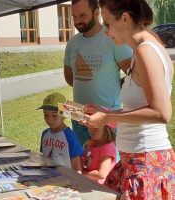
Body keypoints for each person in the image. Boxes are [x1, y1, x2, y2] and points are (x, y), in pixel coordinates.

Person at [84, 0, 175, 199]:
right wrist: (106, 114)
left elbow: (161, 113)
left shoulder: (146, 51)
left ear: (125, 18)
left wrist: (107, 118)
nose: (106, 32)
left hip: (145, 161)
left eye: (107, 24)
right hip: (136, 160)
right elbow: (140, 107)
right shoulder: (144, 48)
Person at [63, 0, 133, 147]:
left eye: (82, 15)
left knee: (108, 166)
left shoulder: (112, 39)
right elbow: (70, 79)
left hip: (106, 119)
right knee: (83, 163)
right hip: (79, 117)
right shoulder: (72, 43)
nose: (77, 21)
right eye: (74, 16)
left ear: (96, 13)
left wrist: (119, 84)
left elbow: (134, 74)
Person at [37, 92, 83, 173]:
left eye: (54, 115)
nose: (50, 119)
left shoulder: (70, 137)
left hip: (65, 181)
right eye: (46, 115)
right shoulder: (45, 134)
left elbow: (77, 169)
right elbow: (43, 158)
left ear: (64, 114)